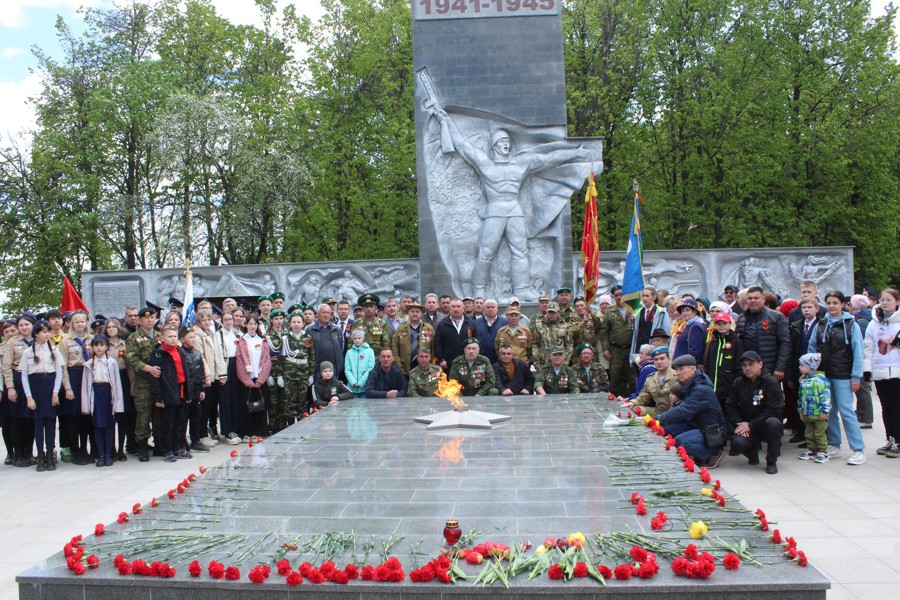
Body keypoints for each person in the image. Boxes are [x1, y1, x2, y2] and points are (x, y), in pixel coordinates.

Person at [435, 109, 591, 296]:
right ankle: (479, 291)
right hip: (494, 210)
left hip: (514, 210)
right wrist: (446, 121)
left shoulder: (521, 163)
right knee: (486, 253)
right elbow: (462, 144)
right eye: (501, 142)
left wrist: (574, 154)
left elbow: (547, 159)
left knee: (520, 252)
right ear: (493, 146)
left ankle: (522, 289)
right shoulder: (485, 163)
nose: (506, 145)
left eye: (508, 142)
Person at [808, 291, 866, 465]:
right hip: (824, 375)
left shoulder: (851, 325)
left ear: (842, 304)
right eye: (829, 303)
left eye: (835, 303)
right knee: (828, 411)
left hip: (844, 375)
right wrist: (810, 370)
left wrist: (856, 376)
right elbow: (812, 348)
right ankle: (834, 444)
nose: (832, 306)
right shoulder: (821, 324)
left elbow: (858, 351)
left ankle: (858, 449)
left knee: (846, 411)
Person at [657, 355, 726, 468]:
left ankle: (713, 453)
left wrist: (658, 419)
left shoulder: (701, 389)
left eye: (681, 369)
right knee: (664, 430)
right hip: (695, 424)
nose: (678, 373)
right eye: (676, 370)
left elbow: (684, 410)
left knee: (680, 442)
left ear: (693, 369)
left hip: (711, 430)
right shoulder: (690, 383)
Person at [725, 351, 784, 474]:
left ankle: (771, 462)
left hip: (764, 424)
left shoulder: (770, 382)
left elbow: (774, 409)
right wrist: (739, 424)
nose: (747, 368)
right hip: (746, 424)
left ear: (760, 364)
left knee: (773, 423)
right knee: (737, 444)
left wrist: (751, 425)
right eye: (744, 365)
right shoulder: (738, 383)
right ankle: (752, 454)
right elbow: (730, 406)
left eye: (751, 364)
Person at [21, 320, 64, 471]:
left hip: (49, 386)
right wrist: (29, 396)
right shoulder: (27, 352)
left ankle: (50, 453)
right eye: (44, 332)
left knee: (50, 423)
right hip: (36, 387)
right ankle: (40, 455)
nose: (47, 334)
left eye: (48, 331)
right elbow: (24, 376)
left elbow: (59, 372)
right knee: (38, 423)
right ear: (36, 334)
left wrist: (55, 392)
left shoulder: (53, 350)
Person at [147, 325, 194, 463]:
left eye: (175, 336)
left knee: (180, 421)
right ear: (162, 338)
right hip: (168, 391)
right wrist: (158, 397)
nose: (173, 339)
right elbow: (154, 377)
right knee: (168, 423)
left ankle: (178, 447)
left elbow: (187, 371)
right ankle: (167, 450)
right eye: (170, 336)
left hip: (181, 390)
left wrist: (189, 392)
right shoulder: (159, 353)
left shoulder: (180, 350)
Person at [864, 288, 900, 457]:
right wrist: (866, 369)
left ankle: (898, 441)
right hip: (880, 370)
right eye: (882, 299)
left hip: (898, 371)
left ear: (897, 302)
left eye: (889, 300)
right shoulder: (873, 323)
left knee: (897, 407)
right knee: (886, 407)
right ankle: (890, 438)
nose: (884, 302)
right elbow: (868, 348)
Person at [125, 307, 163, 462]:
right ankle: (142, 447)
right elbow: (132, 359)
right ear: (139, 320)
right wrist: (149, 369)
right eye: (146, 318)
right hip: (143, 383)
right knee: (143, 415)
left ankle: (160, 444)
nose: (149, 320)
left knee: (159, 414)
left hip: (159, 383)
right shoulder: (134, 338)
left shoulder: (160, 336)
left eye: (152, 317)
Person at [81, 334, 124, 468]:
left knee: (109, 426)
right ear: (92, 347)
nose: (99, 348)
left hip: (108, 394)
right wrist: (85, 406)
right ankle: (100, 455)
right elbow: (85, 386)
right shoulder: (88, 364)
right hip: (96, 393)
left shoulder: (112, 362)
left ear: (106, 347)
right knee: (98, 427)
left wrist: (118, 404)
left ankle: (108, 454)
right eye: (96, 345)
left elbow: (117, 384)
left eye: (102, 345)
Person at [735, 286, 790, 382]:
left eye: (756, 298)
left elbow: (785, 343)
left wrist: (780, 368)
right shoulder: (741, 317)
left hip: (768, 367)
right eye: (750, 298)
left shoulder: (776, 317)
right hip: (746, 368)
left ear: (763, 299)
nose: (752, 301)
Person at [60, 312, 93, 464]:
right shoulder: (65, 341)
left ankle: (85, 449)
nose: (80, 324)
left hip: (87, 377)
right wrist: (67, 387)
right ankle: (75, 450)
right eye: (76, 322)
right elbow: (63, 366)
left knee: (86, 416)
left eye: (82, 321)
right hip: (73, 376)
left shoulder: (91, 339)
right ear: (71, 324)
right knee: (74, 417)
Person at [3, 314, 36, 466]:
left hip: (34, 381)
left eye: (27, 324)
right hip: (17, 381)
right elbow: (7, 366)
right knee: (17, 419)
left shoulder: (39, 339)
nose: (24, 328)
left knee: (31, 420)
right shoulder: (12, 342)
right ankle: (18, 454)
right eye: (21, 325)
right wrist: (10, 387)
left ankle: (29, 453)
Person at [235, 315, 271, 440]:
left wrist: (261, 380)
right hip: (247, 381)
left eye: (255, 324)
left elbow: (267, 361)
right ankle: (247, 432)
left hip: (259, 379)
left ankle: (259, 432)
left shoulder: (262, 341)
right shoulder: (242, 341)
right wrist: (247, 381)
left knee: (260, 406)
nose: (252, 326)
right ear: (246, 325)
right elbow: (239, 361)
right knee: (246, 407)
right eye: (250, 324)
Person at [598, 286, 635, 396]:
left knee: (632, 378)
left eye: (621, 294)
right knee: (616, 379)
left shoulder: (633, 309)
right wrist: (605, 349)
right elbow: (603, 331)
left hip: (631, 349)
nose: (619, 297)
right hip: (615, 350)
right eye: (616, 295)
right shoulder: (610, 311)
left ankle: (632, 402)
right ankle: (616, 403)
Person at [620, 346, 676, 418]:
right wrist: (632, 403)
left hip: (672, 413)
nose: (659, 362)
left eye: (662, 359)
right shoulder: (651, 378)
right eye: (656, 359)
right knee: (633, 409)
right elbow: (643, 397)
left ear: (668, 359)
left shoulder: (676, 376)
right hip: (657, 411)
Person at [703, 313, 743, 412]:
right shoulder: (713, 342)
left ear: (730, 324)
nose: (721, 326)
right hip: (713, 387)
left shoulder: (736, 341)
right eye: (718, 324)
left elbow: (739, 365)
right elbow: (707, 364)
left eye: (724, 323)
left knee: (728, 413)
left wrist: (736, 384)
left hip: (728, 386)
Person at [797, 353, 832, 463]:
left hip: (819, 413)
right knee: (809, 433)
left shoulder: (821, 381)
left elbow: (825, 397)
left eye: (802, 365)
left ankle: (823, 451)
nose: (799, 367)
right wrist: (801, 410)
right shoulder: (803, 381)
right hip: (807, 413)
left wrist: (825, 410)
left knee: (820, 433)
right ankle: (811, 449)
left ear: (810, 366)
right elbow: (800, 397)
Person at [282, 312, 315, 426]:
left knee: (302, 401)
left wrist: (311, 374)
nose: (296, 324)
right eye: (294, 322)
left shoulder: (308, 337)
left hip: (303, 374)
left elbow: (311, 356)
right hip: (289, 374)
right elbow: (281, 358)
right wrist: (280, 375)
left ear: (303, 323)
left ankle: (303, 425)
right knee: (289, 401)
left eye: (299, 322)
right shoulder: (285, 338)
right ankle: (290, 425)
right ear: (290, 324)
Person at [178, 327, 206, 454]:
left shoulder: (197, 353)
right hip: (186, 391)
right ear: (182, 339)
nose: (193, 339)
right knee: (183, 418)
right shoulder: (180, 353)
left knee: (196, 416)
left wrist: (202, 388)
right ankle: (182, 442)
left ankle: (196, 440)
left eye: (194, 337)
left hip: (196, 389)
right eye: (190, 337)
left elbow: (201, 372)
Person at [850, 294, 874, 428]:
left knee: (862, 388)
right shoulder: (867, 317)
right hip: (864, 358)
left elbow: (862, 343)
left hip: (862, 359)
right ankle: (862, 413)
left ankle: (865, 418)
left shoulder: (861, 321)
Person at [217, 311, 241, 445]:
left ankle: (235, 428)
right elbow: (218, 355)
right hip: (224, 366)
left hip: (235, 365)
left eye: (230, 319)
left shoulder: (236, 334)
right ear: (221, 321)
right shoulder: (218, 335)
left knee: (235, 400)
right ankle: (227, 430)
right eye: (225, 319)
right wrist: (222, 374)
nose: (228, 322)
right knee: (225, 401)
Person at [390, 303, 435, 374]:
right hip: (405, 365)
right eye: (412, 311)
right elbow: (394, 347)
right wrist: (399, 365)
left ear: (421, 314)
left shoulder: (428, 328)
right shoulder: (401, 328)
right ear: (408, 313)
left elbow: (433, 347)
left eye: (417, 312)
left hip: (425, 365)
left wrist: (432, 363)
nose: (414, 314)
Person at [434, 298, 476, 370]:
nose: (456, 309)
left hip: (468, 361)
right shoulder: (442, 324)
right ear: (450, 308)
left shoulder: (471, 323)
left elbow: (477, 340)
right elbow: (438, 343)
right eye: (453, 306)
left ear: (463, 308)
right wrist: (441, 359)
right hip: (448, 363)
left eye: (458, 306)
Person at [307, 303, 345, 381]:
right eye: (323, 312)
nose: (326, 315)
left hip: (333, 369)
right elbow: (306, 349)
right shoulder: (309, 330)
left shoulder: (337, 330)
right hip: (316, 370)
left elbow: (341, 348)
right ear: (317, 314)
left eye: (328, 313)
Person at [532, 302, 574, 369]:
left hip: (560, 364)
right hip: (543, 364)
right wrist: (536, 361)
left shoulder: (565, 326)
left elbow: (569, 345)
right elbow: (535, 344)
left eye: (553, 312)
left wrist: (565, 362)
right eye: (549, 312)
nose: (551, 314)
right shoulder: (539, 326)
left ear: (558, 313)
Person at [630, 287, 669, 356]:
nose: (644, 298)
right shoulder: (637, 312)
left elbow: (666, 332)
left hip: (654, 349)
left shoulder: (661, 312)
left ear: (654, 297)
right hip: (639, 349)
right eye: (643, 296)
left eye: (647, 296)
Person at [672, 299, 707, 365]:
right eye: (683, 311)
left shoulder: (696, 326)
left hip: (686, 366)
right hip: (680, 365)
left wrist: (689, 366)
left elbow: (695, 352)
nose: (684, 313)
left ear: (694, 312)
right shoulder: (687, 325)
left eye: (687, 310)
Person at [474, 299, 507, 364]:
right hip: (481, 358)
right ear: (484, 309)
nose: (490, 309)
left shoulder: (504, 322)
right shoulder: (476, 322)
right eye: (488, 307)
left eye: (492, 307)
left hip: (499, 358)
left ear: (497, 309)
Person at [345, 330, 375, 398]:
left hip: (365, 387)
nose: (357, 340)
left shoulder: (369, 351)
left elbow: (370, 368)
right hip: (352, 387)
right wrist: (353, 382)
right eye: (355, 338)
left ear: (363, 339)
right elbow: (347, 369)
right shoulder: (349, 352)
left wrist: (361, 383)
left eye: (359, 338)